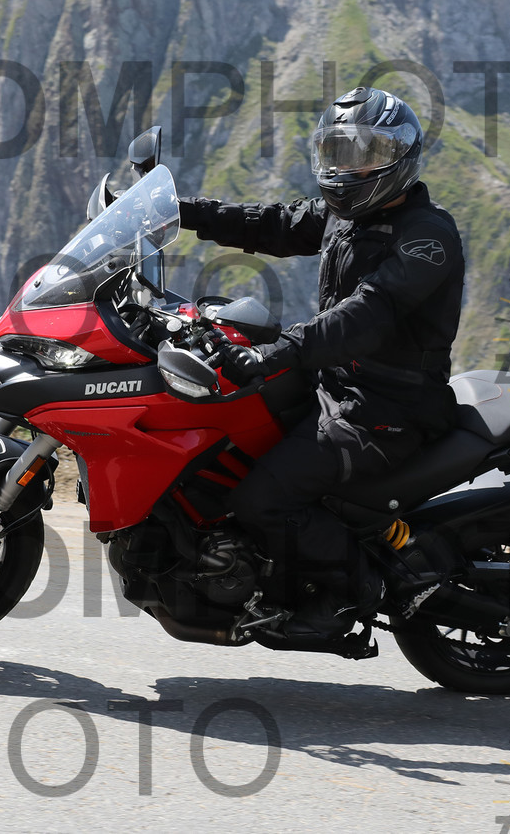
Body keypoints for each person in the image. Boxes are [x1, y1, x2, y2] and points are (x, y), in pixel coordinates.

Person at [177, 86, 465, 639]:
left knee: (264, 498)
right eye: (339, 152)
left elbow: (368, 314)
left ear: (401, 157)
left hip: (388, 407)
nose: (348, 168)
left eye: (366, 154)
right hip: (332, 384)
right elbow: (271, 223)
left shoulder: (427, 237)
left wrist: (276, 351)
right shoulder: (345, 215)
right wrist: (178, 210)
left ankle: (349, 594)